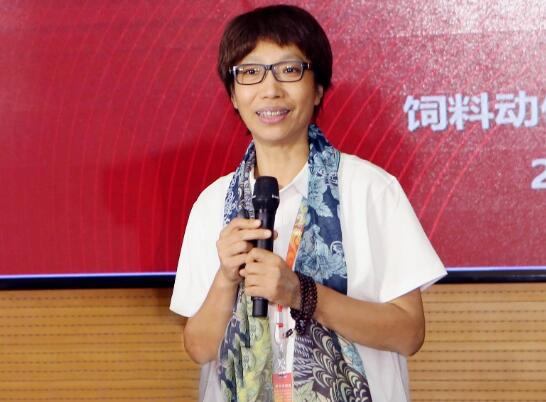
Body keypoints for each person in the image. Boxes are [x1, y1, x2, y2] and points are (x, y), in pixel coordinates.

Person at [170, 4, 446, 402]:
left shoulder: (370, 190)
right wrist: (226, 279)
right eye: (250, 72)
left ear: (317, 89)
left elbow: (409, 333)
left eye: (289, 69)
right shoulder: (212, 204)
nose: (270, 89)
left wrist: (302, 293)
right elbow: (198, 348)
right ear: (233, 94)